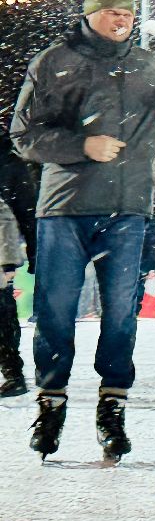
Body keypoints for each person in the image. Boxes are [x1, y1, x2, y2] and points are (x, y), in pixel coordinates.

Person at [9, 0, 155, 460]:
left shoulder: (147, 65)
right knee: (55, 312)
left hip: (129, 209)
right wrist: (82, 145)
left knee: (120, 314)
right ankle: (50, 403)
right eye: (114, 11)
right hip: (65, 208)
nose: (123, 20)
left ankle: (112, 408)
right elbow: (23, 135)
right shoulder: (54, 61)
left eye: (129, 14)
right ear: (91, 12)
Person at [0, 142, 37, 399]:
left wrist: (34, 252)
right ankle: (13, 373)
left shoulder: (9, 160)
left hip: (2, 246)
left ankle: (13, 373)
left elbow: (25, 210)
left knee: (2, 312)